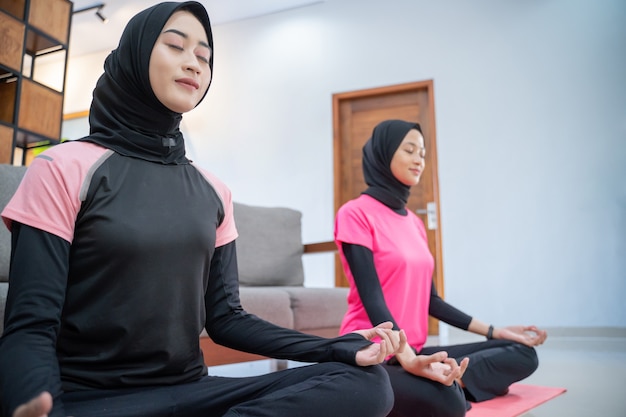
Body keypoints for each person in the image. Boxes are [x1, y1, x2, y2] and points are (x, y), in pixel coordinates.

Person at [0, 3, 409, 417]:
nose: (193, 64)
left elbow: (227, 318)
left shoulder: (213, 190)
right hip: (94, 399)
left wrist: (336, 348)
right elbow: (30, 325)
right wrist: (36, 399)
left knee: (364, 383)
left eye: (204, 57)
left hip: (192, 391)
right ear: (135, 57)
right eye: (175, 46)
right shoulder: (63, 168)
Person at [334, 119, 548, 417]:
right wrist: (407, 359)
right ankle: (451, 386)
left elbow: (431, 301)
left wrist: (495, 331)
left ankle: (451, 381)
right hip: (374, 353)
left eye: (422, 152)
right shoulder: (355, 214)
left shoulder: (415, 223)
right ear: (383, 155)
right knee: (447, 403)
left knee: (523, 354)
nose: (419, 159)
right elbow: (373, 299)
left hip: (414, 352)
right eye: (410, 150)